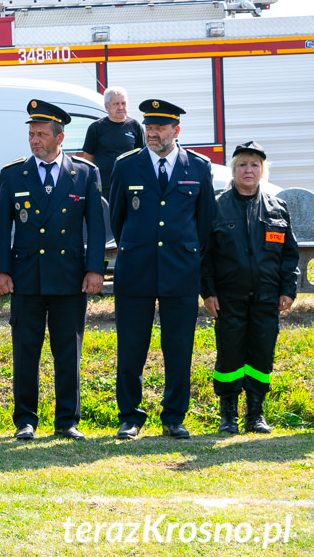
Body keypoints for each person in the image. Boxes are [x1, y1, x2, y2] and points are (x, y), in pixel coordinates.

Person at [0, 100, 105, 441]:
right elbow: (1, 230)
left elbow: (96, 229)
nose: (34, 140)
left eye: (41, 134)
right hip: (26, 277)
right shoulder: (13, 174)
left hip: (69, 277)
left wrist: (95, 270)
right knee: (26, 350)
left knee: (68, 350)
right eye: (31, 134)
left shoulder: (84, 174)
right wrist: (0, 270)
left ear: (60, 137)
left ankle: (67, 420)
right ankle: (25, 420)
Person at [110, 99, 216, 440]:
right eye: (149, 127)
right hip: (136, 268)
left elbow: (205, 224)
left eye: (159, 128)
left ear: (176, 131)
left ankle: (173, 416)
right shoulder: (127, 166)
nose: (152, 133)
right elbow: (117, 217)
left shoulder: (198, 167)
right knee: (131, 347)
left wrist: (185, 253)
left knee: (179, 347)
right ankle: (130, 416)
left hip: (180, 270)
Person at [202, 141, 298, 434]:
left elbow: (289, 255)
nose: (248, 170)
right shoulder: (216, 206)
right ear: (233, 170)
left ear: (262, 171)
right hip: (228, 298)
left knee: (261, 355)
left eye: (254, 165)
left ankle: (255, 414)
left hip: (267, 298)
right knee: (229, 355)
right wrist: (208, 292)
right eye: (242, 164)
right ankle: (228, 415)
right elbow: (204, 255)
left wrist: (288, 290)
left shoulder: (277, 208)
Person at [82, 86, 144, 201]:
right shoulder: (96, 128)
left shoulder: (135, 126)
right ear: (107, 107)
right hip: (104, 187)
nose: (121, 107)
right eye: (116, 104)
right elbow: (88, 158)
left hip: (129, 184)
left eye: (123, 103)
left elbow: (142, 157)